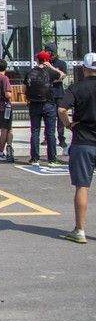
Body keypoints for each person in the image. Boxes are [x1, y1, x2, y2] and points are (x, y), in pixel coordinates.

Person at [56, 52, 96, 244]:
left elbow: (62, 109)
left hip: (83, 142)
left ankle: (80, 230)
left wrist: (68, 125)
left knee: (82, 186)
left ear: (84, 68)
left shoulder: (77, 88)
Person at [26, 50, 67, 166]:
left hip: (34, 104)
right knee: (50, 132)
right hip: (49, 104)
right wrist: (53, 68)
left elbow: (25, 88)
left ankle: (34, 158)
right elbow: (63, 75)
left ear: (37, 59)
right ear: (47, 61)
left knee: (34, 131)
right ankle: (52, 159)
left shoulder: (30, 72)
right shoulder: (50, 72)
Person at [46, 43, 70, 149]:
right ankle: (47, 137)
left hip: (58, 93)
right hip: (48, 93)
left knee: (60, 118)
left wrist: (52, 77)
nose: (49, 55)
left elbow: (62, 76)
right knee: (48, 117)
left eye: (51, 52)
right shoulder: (45, 64)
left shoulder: (61, 63)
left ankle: (61, 138)